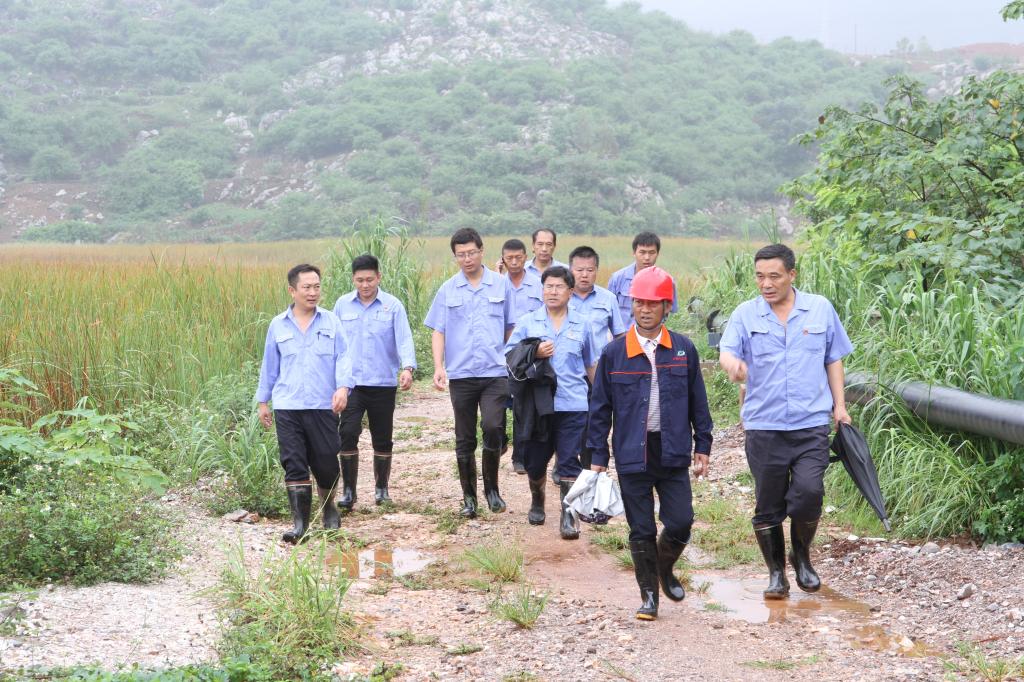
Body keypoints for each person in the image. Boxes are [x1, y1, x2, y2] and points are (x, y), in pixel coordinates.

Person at [718, 243, 854, 600]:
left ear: (792, 275)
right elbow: (727, 351)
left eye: (774, 276)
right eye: (760, 277)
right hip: (764, 425)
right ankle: (776, 573)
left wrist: (840, 406)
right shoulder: (746, 314)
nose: (766, 284)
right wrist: (733, 365)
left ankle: (802, 557)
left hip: (810, 423)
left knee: (809, 493)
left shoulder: (819, 309)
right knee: (769, 503)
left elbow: (834, 359)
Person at [587, 266, 713, 621]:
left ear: (666, 307)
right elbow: (599, 408)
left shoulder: (683, 349)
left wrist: (703, 445)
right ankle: (649, 596)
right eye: (639, 302)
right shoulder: (615, 353)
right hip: (632, 452)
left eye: (653, 303)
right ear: (631, 305)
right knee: (641, 528)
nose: (645, 309)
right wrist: (598, 456)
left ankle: (664, 567)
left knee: (681, 521)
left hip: (672, 450)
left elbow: (698, 402)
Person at [256, 263, 353, 544]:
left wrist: (343, 388)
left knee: (326, 462)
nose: (313, 292)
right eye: (307, 287)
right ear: (292, 290)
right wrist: (263, 401)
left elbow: (344, 357)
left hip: (323, 404)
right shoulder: (278, 325)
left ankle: (328, 507)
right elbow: (269, 365)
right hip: (288, 405)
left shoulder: (331, 322)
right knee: (294, 462)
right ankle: (300, 525)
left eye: (317, 287)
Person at [425, 228, 515, 518]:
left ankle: (492, 490)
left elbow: (511, 326)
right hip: (462, 374)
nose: (467, 259)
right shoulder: (448, 289)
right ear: (455, 256)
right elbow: (438, 330)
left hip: (494, 371)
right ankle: (469, 499)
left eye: (471, 252)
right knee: (464, 437)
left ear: (481, 251)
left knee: (493, 426)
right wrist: (439, 366)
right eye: (461, 254)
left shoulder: (500, 285)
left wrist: (511, 360)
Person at [505, 266, 598, 540]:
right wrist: (534, 351)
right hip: (537, 406)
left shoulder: (583, 324)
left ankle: (569, 516)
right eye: (548, 286)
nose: (553, 292)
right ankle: (537, 499)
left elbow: (591, 364)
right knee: (535, 462)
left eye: (559, 287)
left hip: (573, 404)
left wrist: (602, 398)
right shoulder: (529, 322)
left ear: (570, 292)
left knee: (569, 461)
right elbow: (509, 355)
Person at [332, 254, 417, 510]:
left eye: (369, 279)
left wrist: (408, 368)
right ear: (353, 279)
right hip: (351, 384)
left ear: (378, 277)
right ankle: (349, 492)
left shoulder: (393, 306)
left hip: (382, 382)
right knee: (347, 433)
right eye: (360, 280)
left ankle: (382, 489)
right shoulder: (342, 305)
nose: (365, 285)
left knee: (383, 436)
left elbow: (404, 338)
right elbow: (334, 342)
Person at [567, 245, 627, 472]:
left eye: (589, 270)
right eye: (579, 270)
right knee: (569, 422)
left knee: (594, 422)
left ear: (596, 271)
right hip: (568, 374)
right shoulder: (562, 297)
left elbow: (619, 335)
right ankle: (565, 465)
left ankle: (589, 470)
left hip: (598, 374)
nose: (584, 275)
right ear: (570, 270)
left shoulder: (607, 298)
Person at [497, 238, 544, 475]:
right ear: (502, 259)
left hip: (527, 354)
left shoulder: (538, 283)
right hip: (500, 353)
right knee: (497, 403)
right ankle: (499, 440)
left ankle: (520, 457)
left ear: (526, 257)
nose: (514, 262)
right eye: (509, 258)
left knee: (522, 405)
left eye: (518, 257)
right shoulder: (495, 283)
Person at [607, 232, 678, 326]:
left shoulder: (667, 281)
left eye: (652, 253)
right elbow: (608, 311)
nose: (647, 257)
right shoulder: (618, 278)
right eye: (642, 252)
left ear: (658, 253)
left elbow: (670, 311)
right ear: (634, 252)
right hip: (623, 333)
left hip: (653, 334)